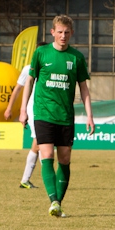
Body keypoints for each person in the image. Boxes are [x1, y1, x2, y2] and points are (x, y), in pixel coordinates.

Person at [18, 16, 94, 218]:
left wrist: (89, 115)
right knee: (47, 156)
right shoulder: (41, 53)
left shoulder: (76, 57)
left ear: (72, 33)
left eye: (67, 32)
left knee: (65, 159)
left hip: (65, 116)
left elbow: (84, 88)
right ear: (52, 32)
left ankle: (58, 203)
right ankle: (53, 200)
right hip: (43, 113)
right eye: (59, 32)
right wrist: (23, 110)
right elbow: (29, 81)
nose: (63, 36)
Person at [5, 42, 48, 189]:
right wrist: (10, 108)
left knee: (39, 143)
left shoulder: (50, 68)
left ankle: (25, 180)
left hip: (46, 109)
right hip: (33, 109)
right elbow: (18, 89)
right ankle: (49, 178)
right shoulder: (28, 68)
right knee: (41, 141)